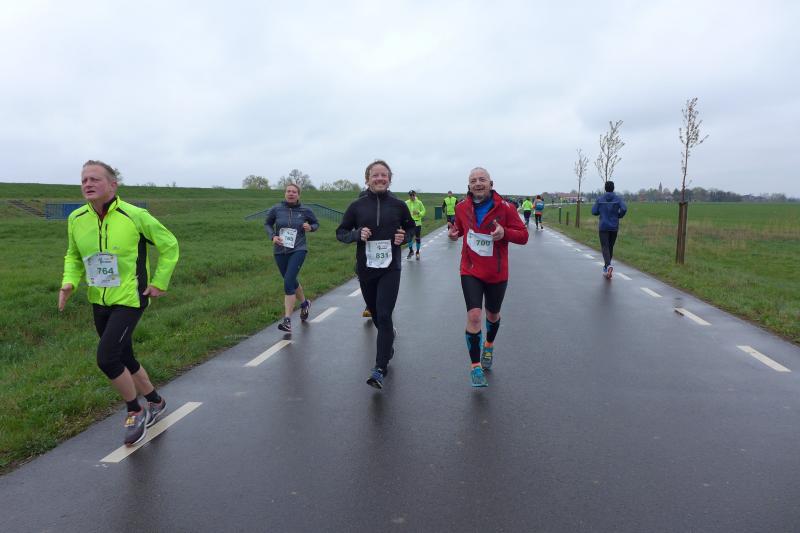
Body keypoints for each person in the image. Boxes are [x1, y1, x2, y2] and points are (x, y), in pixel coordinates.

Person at [58, 160, 179, 446]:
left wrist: (159, 281)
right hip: (98, 298)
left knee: (107, 358)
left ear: (113, 185)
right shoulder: (76, 218)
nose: (88, 184)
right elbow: (73, 255)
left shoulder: (135, 215)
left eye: (95, 179)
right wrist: (69, 282)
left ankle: (135, 410)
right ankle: (155, 401)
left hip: (130, 298)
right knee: (124, 355)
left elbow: (169, 245)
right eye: (84, 180)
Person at [337, 160, 416, 389]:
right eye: (375, 175)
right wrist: (357, 234)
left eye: (384, 175)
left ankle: (380, 368)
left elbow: (411, 227)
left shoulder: (399, 205)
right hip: (366, 269)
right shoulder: (357, 206)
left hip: (391, 268)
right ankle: (387, 343)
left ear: (389, 179)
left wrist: (405, 237)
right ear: (367, 179)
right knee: (375, 314)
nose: (380, 178)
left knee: (384, 314)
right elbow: (341, 232)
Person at [448, 167, 528, 387]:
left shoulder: (506, 208)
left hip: (496, 272)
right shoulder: (461, 207)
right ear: (469, 186)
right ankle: (475, 367)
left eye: (482, 179)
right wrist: (454, 234)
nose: (478, 183)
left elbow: (524, 236)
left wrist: (505, 233)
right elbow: (460, 229)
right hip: (470, 269)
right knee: (474, 316)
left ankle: (489, 345)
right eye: (473, 180)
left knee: (492, 314)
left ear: (491, 184)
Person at [265, 183, 320, 332]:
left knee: (288, 282)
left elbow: (316, 223)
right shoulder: (276, 209)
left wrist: (311, 227)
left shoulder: (305, 210)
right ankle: (304, 304)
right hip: (280, 250)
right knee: (291, 279)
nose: (291, 194)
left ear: (298, 195)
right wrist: (273, 236)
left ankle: (287, 320)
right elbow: (267, 224)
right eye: (288, 191)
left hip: (298, 249)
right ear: (285, 193)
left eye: (294, 192)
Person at [591, 181, 627, 279]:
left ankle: (608, 266)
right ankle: (606, 267)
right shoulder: (618, 199)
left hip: (603, 226)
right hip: (614, 226)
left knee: (605, 246)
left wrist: (600, 212)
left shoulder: (600, 199)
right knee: (610, 247)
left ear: (605, 188)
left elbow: (594, 211)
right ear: (613, 188)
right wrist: (619, 215)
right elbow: (624, 209)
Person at [405, 190, 426, 260]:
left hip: (417, 223)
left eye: (413, 195)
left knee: (417, 238)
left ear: (415, 195)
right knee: (409, 238)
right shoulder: (406, 202)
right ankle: (411, 251)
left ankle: (417, 252)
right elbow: (403, 211)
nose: (412, 196)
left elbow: (424, 211)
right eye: (410, 195)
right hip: (409, 223)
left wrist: (419, 213)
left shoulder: (419, 202)